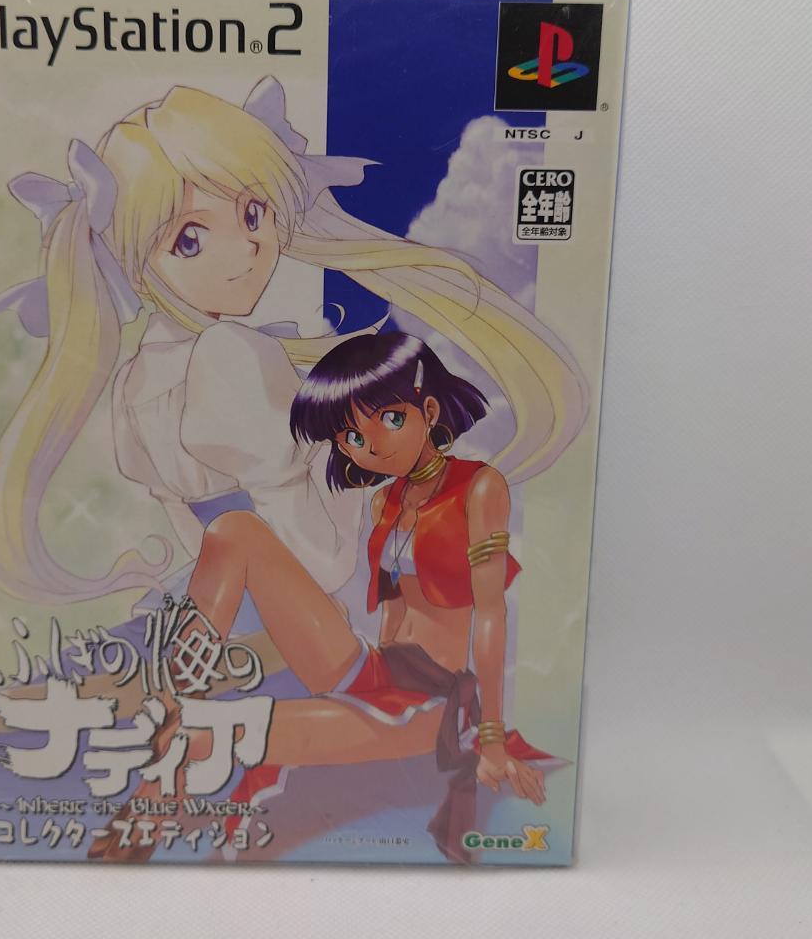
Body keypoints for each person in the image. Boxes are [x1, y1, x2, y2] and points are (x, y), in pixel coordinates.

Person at [0, 77, 588, 625]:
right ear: (132, 263)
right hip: (306, 604)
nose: (248, 247)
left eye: (253, 213)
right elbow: (319, 559)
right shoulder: (227, 357)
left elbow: (193, 528)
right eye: (189, 239)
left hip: (232, 601)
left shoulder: (135, 382)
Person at [90, 332, 556, 865]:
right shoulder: (386, 500)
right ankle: (175, 693)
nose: (371, 446)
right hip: (374, 670)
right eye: (351, 436)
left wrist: (491, 739)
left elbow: (491, 615)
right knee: (234, 530)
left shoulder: (479, 488)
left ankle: (132, 840)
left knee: (202, 737)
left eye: (391, 419)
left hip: (429, 704)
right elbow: (393, 612)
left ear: (429, 410)